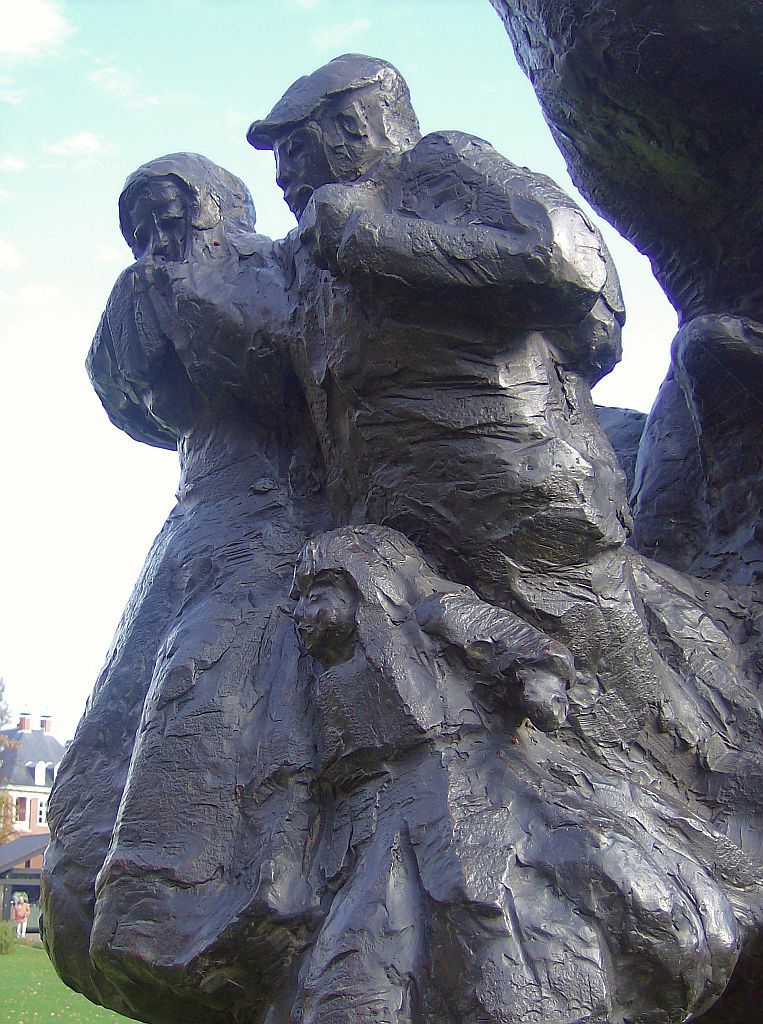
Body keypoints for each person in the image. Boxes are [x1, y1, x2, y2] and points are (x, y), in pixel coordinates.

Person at [248, 54, 664, 768]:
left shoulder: (437, 168)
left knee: (621, 705)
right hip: (398, 519)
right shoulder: (310, 245)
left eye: (294, 151)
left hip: (510, 494)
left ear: (353, 126)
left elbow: (570, 264)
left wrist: (372, 242)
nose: (283, 177)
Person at [44, 153, 329, 1024]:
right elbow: (125, 397)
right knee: (126, 700)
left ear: (216, 207)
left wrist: (183, 296)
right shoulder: (145, 287)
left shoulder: (273, 267)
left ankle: (201, 907)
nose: (156, 238)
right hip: (198, 508)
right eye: (141, 228)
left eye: (171, 216)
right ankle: (108, 893)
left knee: (208, 681)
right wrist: (145, 304)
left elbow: (276, 364)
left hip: (280, 505)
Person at [289, 525, 753, 1024]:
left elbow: (514, 640)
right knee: (366, 948)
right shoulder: (323, 681)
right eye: (299, 600)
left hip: (463, 790)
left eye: (317, 596)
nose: (302, 614)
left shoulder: (426, 613)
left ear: (363, 586)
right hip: (377, 820)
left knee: (498, 914)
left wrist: (540, 679)